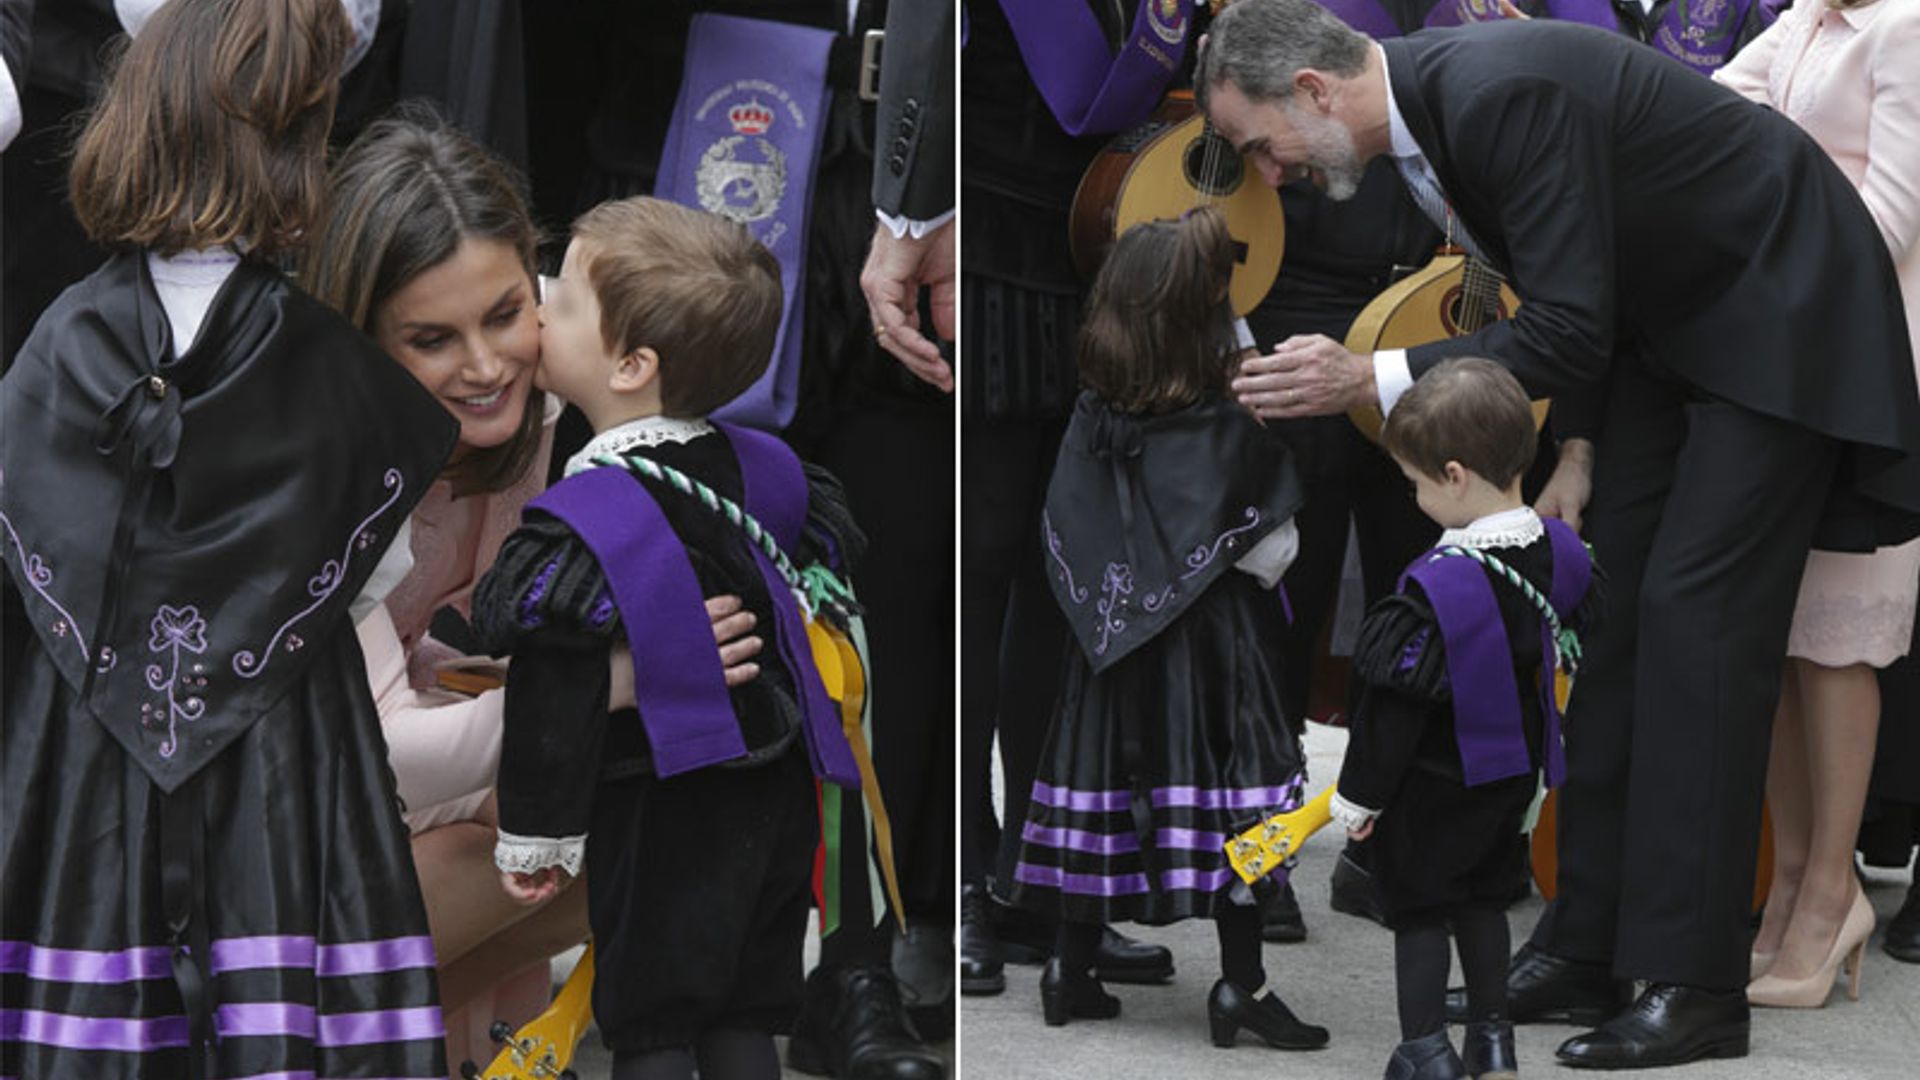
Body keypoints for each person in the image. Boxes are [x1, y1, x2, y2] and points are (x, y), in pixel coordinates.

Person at [1198, 0, 1920, 1068]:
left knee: (1697, 622)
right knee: (1609, 607)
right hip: (1665, 333)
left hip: (1778, 310)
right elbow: (1583, 282)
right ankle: (1586, 942)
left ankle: (1694, 982)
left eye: (1262, 143)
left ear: (1310, 90)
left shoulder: (1495, 92)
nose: (1270, 170)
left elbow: (1573, 318)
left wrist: (1369, 376)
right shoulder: (1432, 112)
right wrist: (1576, 453)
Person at [0, 3, 457, 1078]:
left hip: (83, 761)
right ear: (300, 148)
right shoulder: (328, 361)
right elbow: (373, 567)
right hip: (290, 763)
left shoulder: (60, 338)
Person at [302, 113, 765, 1072]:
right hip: (276, 820)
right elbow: (371, 756)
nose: (484, 366)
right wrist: (599, 687)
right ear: (358, 335)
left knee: (634, 806)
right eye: (431, 338)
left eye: (507, 313)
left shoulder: (569, 392)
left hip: (405, 770)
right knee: (550, 788)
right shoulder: (311, 457)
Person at [465, 195, 864, 1080]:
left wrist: (538, 834)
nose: (538, 302)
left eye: (563, 300)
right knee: (741, 1015)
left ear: (633, 364)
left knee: (651, 1024)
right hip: (779, 793)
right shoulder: (762, 467)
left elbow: (552, 686)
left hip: (664, 806)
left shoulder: (587, 519)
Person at [1008, 208, 1326, 1051]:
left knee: (1102, 798)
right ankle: (1242, 986)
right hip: (1213, 656)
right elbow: (1272, 555)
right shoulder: (1225, 430)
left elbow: (1061, 532)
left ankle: (1068, 969)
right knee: (1236, 812)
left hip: (1102, 650)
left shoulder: (1089, 416)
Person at [1712, 0, 1920, 1008]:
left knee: (1840, 639)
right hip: (1793, 363)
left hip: (1876, 374)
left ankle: (1836, 893)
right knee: (1785, 634)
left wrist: (1759, 233)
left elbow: (1889, 221)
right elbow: (1700, 118)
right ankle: (1790, 886)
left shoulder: (1906, 26)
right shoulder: (1800, 21)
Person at [1331, 357, 1600, 1079]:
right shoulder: (1560, 553)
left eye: (1416, 484)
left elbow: (1391, 711)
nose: (1414, 498)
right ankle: (1492, 1041)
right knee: (1484, 903)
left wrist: (1360, 797)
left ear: (1454, 476)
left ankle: (1424, 1049)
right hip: (1516, 777)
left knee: (1420, 912)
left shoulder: (1439, 587)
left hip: (1433, 783)